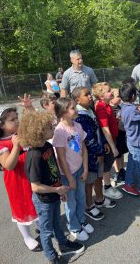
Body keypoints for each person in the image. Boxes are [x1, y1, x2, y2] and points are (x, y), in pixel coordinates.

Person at [19, 111, 85, 264]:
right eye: (50, 126)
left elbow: (53, 170)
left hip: (54, 194)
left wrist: (59, 188)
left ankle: (63, 243)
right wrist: (56, 190)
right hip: (44, 200)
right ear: (39, 131)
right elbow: (35, 187)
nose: (54, 127)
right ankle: (51, 256)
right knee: (46, 230)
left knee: (57, 223)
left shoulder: (47, 145)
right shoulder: (34, 156)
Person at [0, 107, 41, 252]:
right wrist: (16, 146)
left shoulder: (20, 133)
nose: (17, 121)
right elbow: (9, 165)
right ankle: (27, 237)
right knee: (21, 208)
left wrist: (29, 108)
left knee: (37, 202)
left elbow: (34, 125)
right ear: (1, 125)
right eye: (12, 120)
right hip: (17, 181)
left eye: (17, 118)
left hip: (32, 175)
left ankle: (42, 226)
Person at [72, 86, 116, 221]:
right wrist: (98, 151)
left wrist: (103, 143)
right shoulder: (79, 116)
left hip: (99, 151)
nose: (90, 96)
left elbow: (97, 130)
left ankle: (99, 199)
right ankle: (88, 205)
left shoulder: (90, 110)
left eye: (90, 94)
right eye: (86, 95)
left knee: (99, 177)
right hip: (91, 156)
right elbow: (87, 138)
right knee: (89, 182)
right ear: (77, 100)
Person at [53, 98, 94, 241]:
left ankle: (81, 219)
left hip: (80, 169)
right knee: (71, 203)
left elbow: (83, 148)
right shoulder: (59, 131)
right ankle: (74, 227)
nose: (75, 110)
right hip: (67, 175)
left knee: (81, 197)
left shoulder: (77, 125)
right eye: (72, 108)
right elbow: (61, 157)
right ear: (63, 113)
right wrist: (70, 178)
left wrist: (85, 168)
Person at [93, 82, 123, 200]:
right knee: (107, 166)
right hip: (108, 143)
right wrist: (113, 147)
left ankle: (107, 185)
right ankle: (107, 187)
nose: (112, 92)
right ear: (101, 96)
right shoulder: (101, 107)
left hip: (112, 140)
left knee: (109, 163)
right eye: (109, 91)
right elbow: (105, 130)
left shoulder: (107, 105)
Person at [109, 88, 128, 184]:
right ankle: (117, 171)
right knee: (116, 154)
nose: (120, 98)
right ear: (111, 98)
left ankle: (122, 169)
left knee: (122, 152)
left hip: (121, 133)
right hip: (114, 134)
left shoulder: (120, 106)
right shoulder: (109, 108)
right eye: (118, 96)